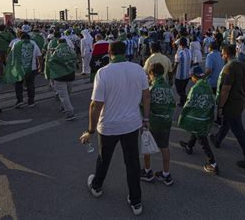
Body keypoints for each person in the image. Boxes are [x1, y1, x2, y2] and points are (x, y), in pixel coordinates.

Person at [79, 41, 150, 216]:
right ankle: (136, 201)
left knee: (104, 158)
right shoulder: (138, 69)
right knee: (132, 162)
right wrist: (146, 119)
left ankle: (96, 186)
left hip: (108, 126)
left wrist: (90, 130)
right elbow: (146, 96)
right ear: (125, 51)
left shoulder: (103, 73)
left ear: (109, 53)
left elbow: (95, 105)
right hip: (132, 124)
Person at [210, 45, 245, 169]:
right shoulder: (243, 65)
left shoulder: (228, 68)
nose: (222, 56)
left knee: (238, 131)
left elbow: (225, 89)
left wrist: (220, 106)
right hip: (239, 101)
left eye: (222, 54)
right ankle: (217, 139)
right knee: (227, 123)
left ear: (226, 54)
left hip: (231, 103)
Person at [178, 65, 219, 175]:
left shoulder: (195, 88)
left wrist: (182, 116)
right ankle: (189, 145)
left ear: (193, 76)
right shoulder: (207, 85)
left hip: (198, 117)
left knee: (202, 140)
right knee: (197, 132)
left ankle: (213, 163)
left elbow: (189, 104)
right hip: (205, 116)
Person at [140, 62, 176, 185]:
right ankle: (166, 174)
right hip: (166, 121)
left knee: (147, 146)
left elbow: (144, 105)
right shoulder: (168, 88)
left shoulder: (152, 88)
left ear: (152, 74)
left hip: (153, 122)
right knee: (164, 147)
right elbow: (173, 104)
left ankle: (147, 171)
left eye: (149, 75)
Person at [4, 32, 42, 108]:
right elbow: (39, 56)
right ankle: (31, 102)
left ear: (20, 38)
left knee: (18, 85)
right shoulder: (33, 43)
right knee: (30, 85)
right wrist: (40, 66)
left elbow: (12, 56)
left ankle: (20, 101)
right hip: (32, 68)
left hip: (19, 69)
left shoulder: (16, 44)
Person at [46, 38, 77, 120]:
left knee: (63, 95)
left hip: (59, 75)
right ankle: (64, 107)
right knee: (68, 93)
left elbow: (51, 61)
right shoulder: (71, 50)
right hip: (71, 74)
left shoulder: (56, 51)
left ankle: (70, 113)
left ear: (58, 43)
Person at [173, 38, 192, 106]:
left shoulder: (179, 53)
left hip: (180, 76)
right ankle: (182, 102)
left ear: (180, 44)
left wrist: (172, 72)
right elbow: (191, 62)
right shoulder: (189, 51)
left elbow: (176, 64)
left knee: (179, 90)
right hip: (187, 75)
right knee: (183, 89)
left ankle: (187, 100)